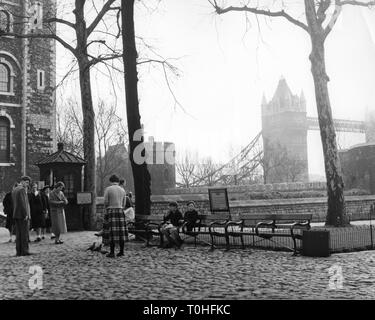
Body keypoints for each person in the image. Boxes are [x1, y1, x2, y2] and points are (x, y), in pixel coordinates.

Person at [102, 174, 127, 258]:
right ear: (117, 181)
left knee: (111, 232)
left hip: (111, 211)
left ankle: (112, 252)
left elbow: (105, 201)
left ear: (110, 181)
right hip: (120, 211)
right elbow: (124, 203)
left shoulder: (108, 189)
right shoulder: (122, 190)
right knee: (121, 232)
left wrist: (106, 210)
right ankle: (121, 251)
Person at [12, 176, 32, 256]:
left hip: (16, 214)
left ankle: (19, 251)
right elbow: (23, 203)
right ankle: (24, 251)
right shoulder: (22, 190)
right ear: (23, 181)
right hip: (22, 215)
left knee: (18, 234)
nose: (27, 185)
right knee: (24, 234)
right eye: (27, 182)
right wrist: (26, 214)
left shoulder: (15, 189)